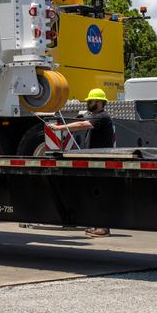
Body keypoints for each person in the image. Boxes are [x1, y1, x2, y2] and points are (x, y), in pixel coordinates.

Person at [48, 87, 116, 237]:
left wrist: (61, 128)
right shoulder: (98, 116)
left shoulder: (102, 116)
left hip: (101, 162)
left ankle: (104, 228)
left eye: (90, 101)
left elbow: (82, 125)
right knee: (96, 194)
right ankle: (98, 226)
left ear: (99, 102)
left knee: (101, 194)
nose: (87, 103)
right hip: (96, 161)